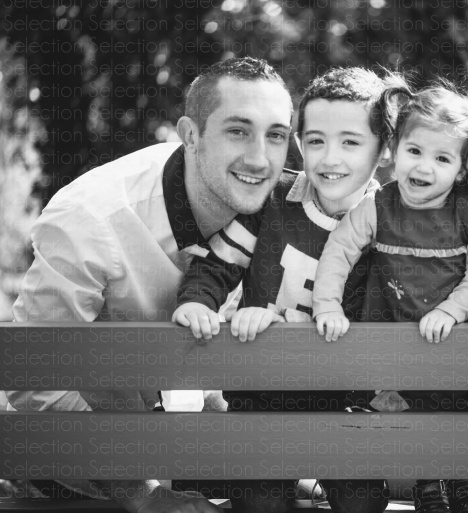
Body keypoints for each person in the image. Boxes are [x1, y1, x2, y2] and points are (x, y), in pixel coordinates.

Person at [8, 57, 294, 513]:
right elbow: (34, 382)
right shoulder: (90, 219)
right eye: (238, 131)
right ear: (191, 135)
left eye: (276, 135)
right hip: (83, 474)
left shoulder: (290, 213)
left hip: (201, 449)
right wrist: (140, 488)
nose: (260, 158)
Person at [172, 67, 395, 513]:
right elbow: (216, 265)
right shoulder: (272, 203)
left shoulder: (391, 225)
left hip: (343, 403)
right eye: (316, 141)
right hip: (263, 396)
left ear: (384, 148)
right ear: (299, 143)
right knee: (259, 504)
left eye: (351, 142)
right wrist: (198, 302)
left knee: (363, 502)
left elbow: (388, 314)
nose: (330, 158)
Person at [312, 84, 468, 513]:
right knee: (417, 409)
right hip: (397, 339)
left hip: (452, 337)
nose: (424, 167)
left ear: (462, 168)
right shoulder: (379, 205)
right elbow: (339, 250)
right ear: (395, 150)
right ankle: (428, 484)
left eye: (443, 159)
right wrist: (327, 305)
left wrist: (452, 310)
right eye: (415, 151)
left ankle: (464, 483)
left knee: (455, 407)